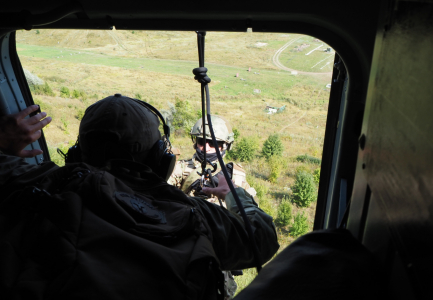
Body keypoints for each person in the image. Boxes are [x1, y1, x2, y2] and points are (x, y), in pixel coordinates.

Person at [0, 95, 279, 300]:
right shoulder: (190, 213)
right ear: (160, 159)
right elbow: (261, 238)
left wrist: (3, 142)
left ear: (77, 152)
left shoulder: (41, 184)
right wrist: (234, 194)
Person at [168, 115, 256, 299]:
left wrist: (230, 190)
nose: (206, 148)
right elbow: (161, 195)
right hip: (186, 244)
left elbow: (250, 212)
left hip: (219, 249)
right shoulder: (181, 169)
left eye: (213, 143)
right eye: (202, 142)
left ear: (224, 146)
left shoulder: (235, 175)